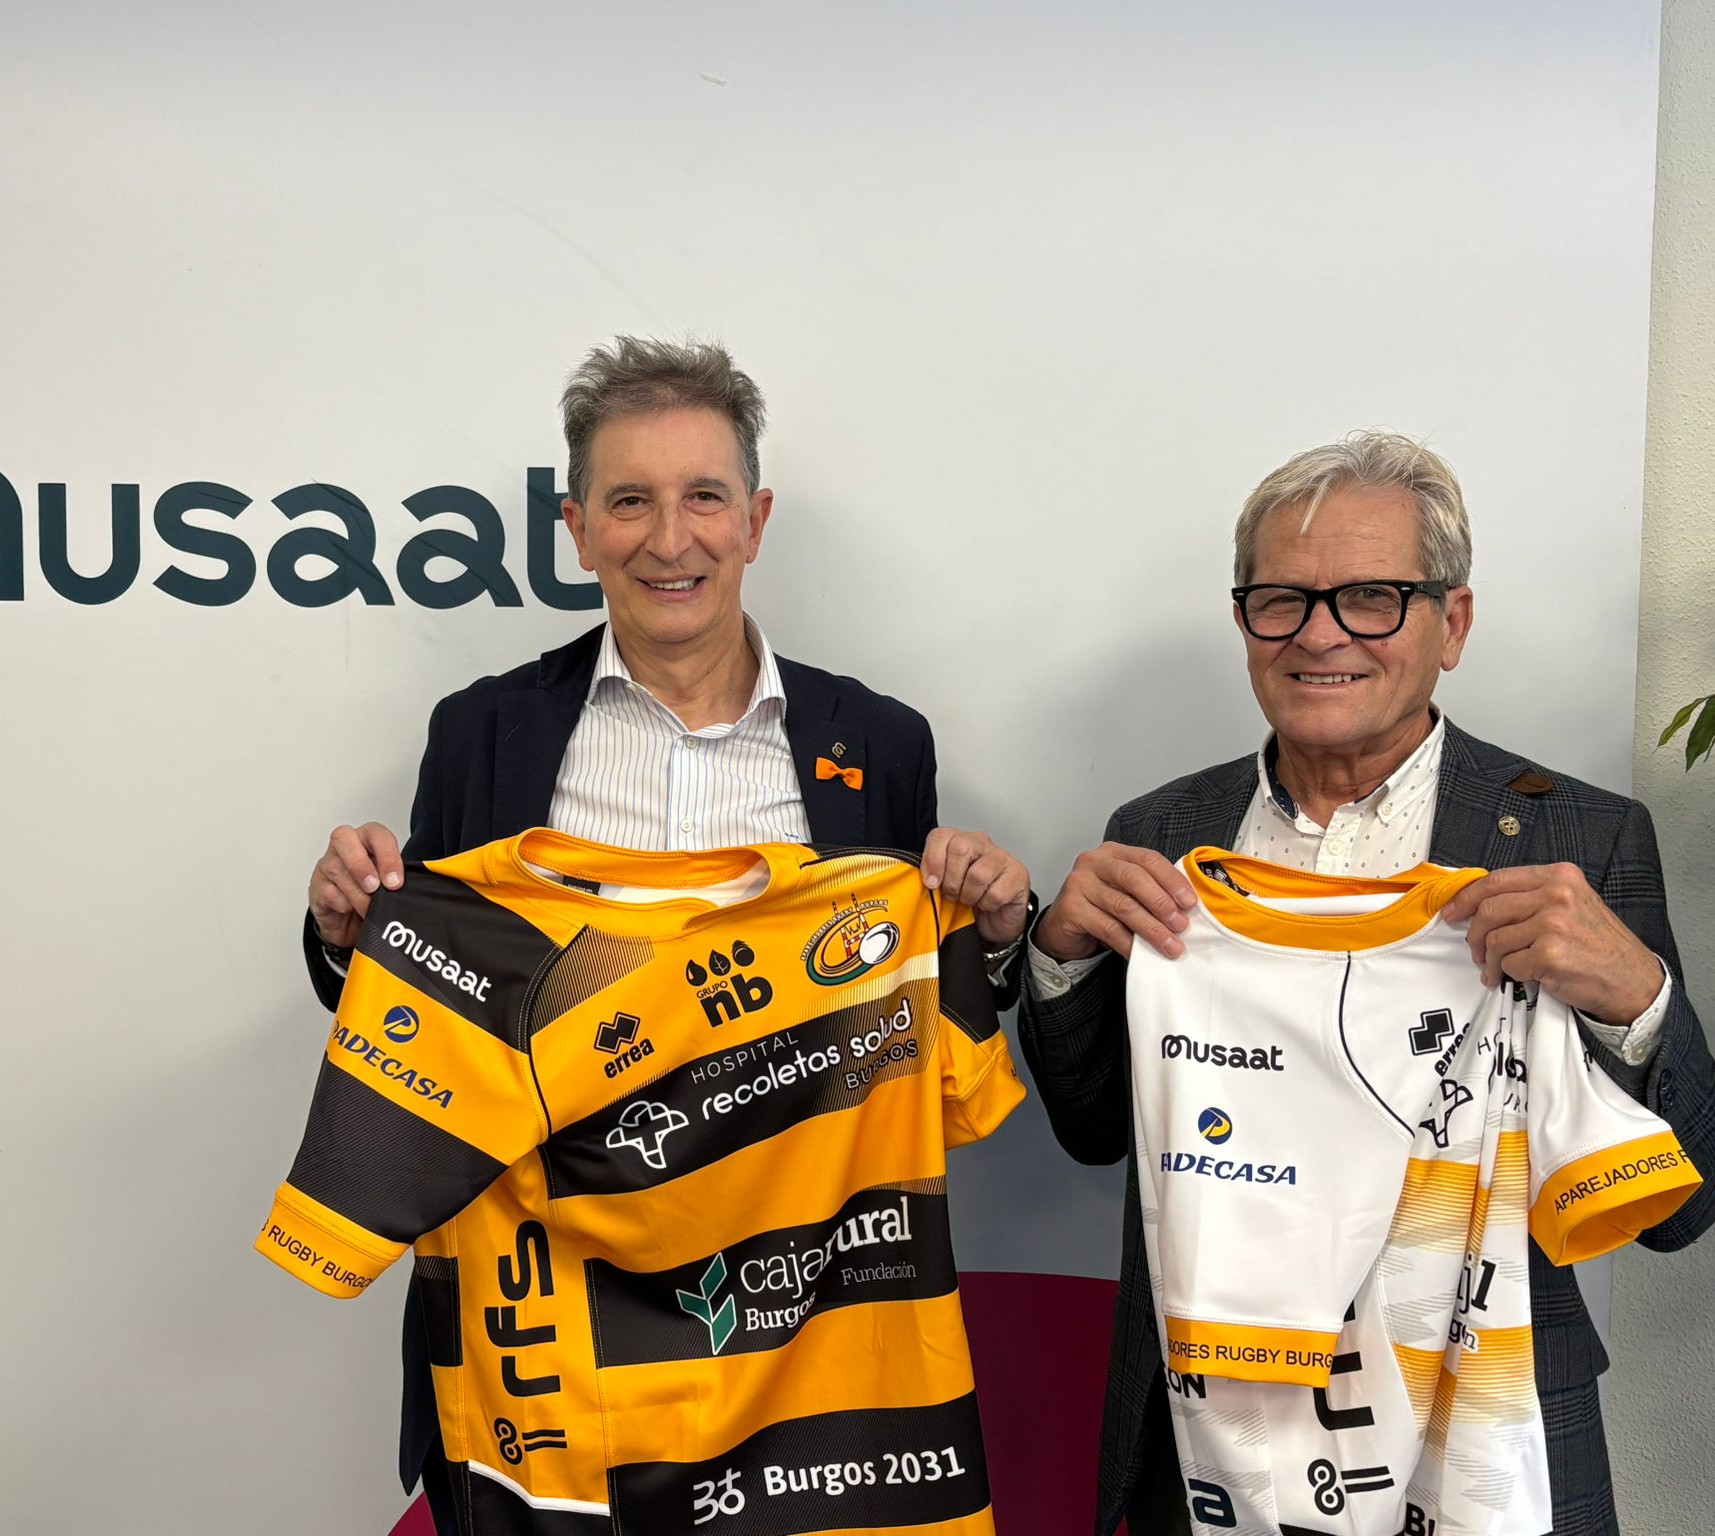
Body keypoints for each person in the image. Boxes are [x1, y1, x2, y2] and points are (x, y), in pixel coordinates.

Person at [303, 336, 1037, 1534]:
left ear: (753, 520)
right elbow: (431, 1011)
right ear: (577, 529)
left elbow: (905, 1015)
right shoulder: (485, 733)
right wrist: (350, 934)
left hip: (800, 1359)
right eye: (628, 501)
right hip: (545, 1360)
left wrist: (991, 936)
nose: (668, 538)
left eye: (702, 497)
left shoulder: (877, 742)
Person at [1022, 431, 1715, 1536]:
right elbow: (1098, 1131)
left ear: (1454, 623)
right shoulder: (1161, 834)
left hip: (1478, 1425)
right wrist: (1059, 960)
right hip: (1212, 1426)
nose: (1319, 634)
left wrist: (1637, 1000)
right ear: (1244, 622)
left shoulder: (1575, 840)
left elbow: (1684, 1209)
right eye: (1280, 601)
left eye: (1371, 597)